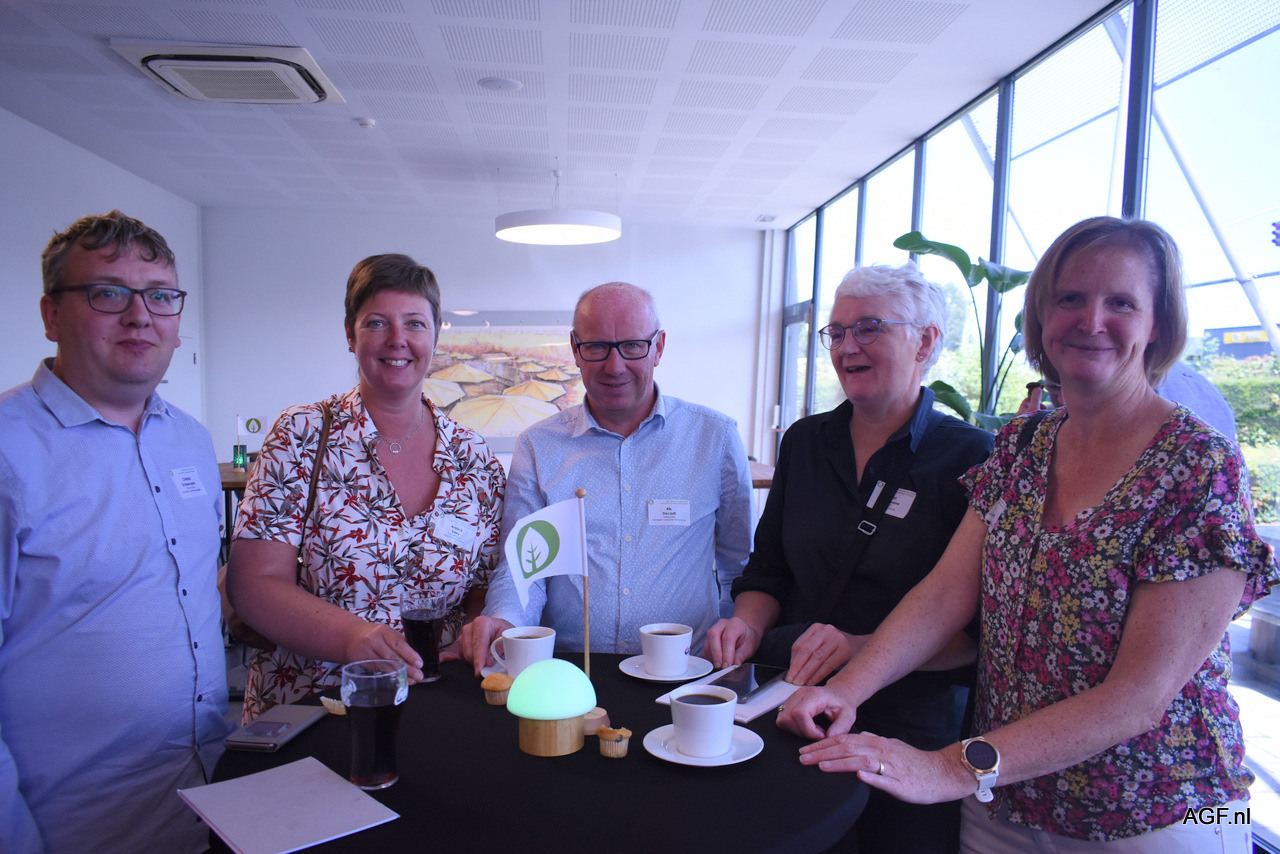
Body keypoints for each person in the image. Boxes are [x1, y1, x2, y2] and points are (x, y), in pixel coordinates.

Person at [779, 217, 1279, 852]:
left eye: (1121, 303)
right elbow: (943, 595)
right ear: (1042, 315)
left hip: (1156, 812)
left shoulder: (1199, 466)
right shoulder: (1022, 445)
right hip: (1005, 796)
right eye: (1069, 298)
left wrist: (948, 767)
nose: (1091, 320)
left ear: (1158, 324)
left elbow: (1139, 698)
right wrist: (845, 691)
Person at [706, 263, 992, 854]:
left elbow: (976, 632)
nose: (846, 347)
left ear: (926, 342)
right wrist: (746, 624)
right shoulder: (806, 442)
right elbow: (769, 570)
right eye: (836, 333)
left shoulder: (974, 458)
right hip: (790, 709)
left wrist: (863, 648)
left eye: (868, 328)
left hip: (910, 732)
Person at [0, 211, 230, 853]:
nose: (139, 317)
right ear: (51, 315)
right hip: (67, 829)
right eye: (108, 293)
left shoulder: (190, 441)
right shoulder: (10, 453)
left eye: (160, 296)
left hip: (206, 804)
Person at [227, 254, 504, 723]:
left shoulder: (473, 457)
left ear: (435, 336)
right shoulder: (302, 435)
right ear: (350, 334)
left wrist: (477, 629)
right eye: (377, 322)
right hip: (313, 708)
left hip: (436, 710)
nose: (398, 339)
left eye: (414, 323)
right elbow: (253, 584)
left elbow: (486, 584)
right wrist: (354, 637)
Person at [457, 282, 753, 669]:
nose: (614, 366)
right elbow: (524, 569)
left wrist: (734, 640)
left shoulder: (715, 438)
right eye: (597, 346)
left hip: (685, 673)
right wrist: (506, 623)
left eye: (632, 346)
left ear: (659, 347)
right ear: (575, 349)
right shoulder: (538, 446)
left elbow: (739, 566)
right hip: (569, 673)